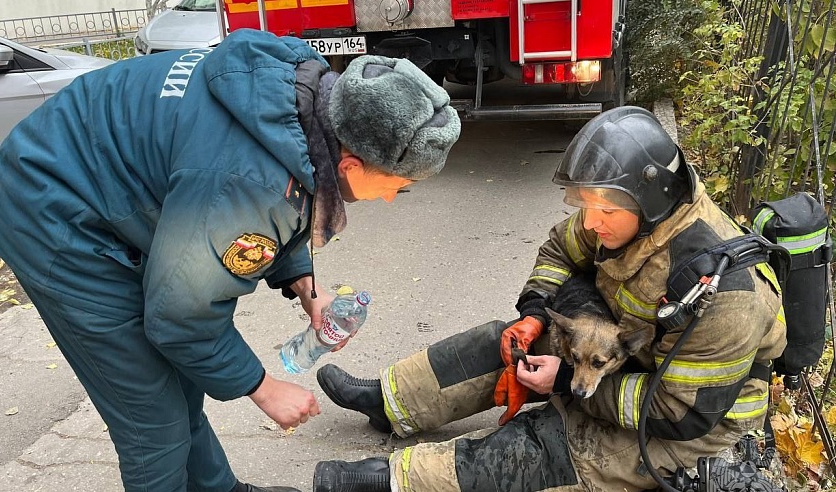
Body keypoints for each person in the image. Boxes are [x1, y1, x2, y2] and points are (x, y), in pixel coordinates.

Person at [0, 28, 461, 492]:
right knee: (152, 418)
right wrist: (265, 388)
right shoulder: (250, 188)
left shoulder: (308, 91)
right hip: (47, 208)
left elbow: (294, 179)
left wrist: (307, 290)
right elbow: (181, 315)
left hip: (93, 167)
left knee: (182, 380)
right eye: (400, 185)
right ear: (351, 164)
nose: (395, 198)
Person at [311, 106, 787, 492]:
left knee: (555, 446)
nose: (592, 222)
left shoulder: (728, 295)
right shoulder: (623, 214)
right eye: (587, 208)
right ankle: (389, 402)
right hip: (620, 360)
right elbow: (559, 249)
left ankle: (388, 480)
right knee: (510, 343)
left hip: (693, 428)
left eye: (602, 211)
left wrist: (565, 385)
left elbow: (675, 411)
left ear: (649, 198)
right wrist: (537, 317)